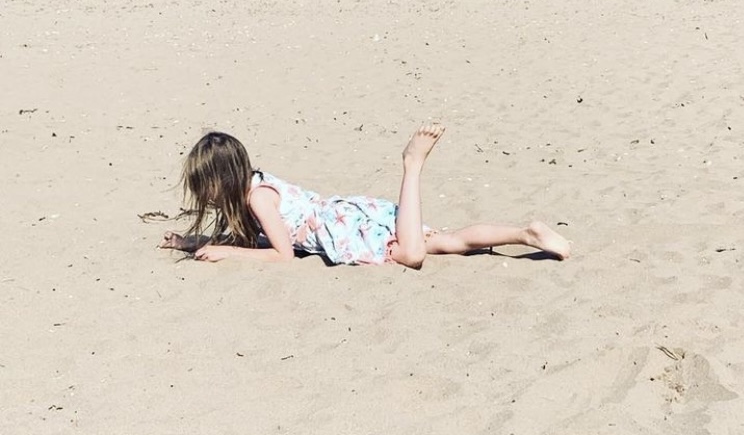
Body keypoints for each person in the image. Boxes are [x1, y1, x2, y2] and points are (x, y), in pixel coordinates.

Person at [159, 123, 571, 267]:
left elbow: (281, 255)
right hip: (350, 215)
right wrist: (194, 242)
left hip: (345, 229)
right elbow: (251, 239)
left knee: (413, 255)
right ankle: (525, 234)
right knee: (448, 242)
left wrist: (229, 254)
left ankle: (412, 166)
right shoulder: (251, 190)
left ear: (225, 178)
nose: (204, 196)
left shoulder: (258, 198)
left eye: (205, 187)